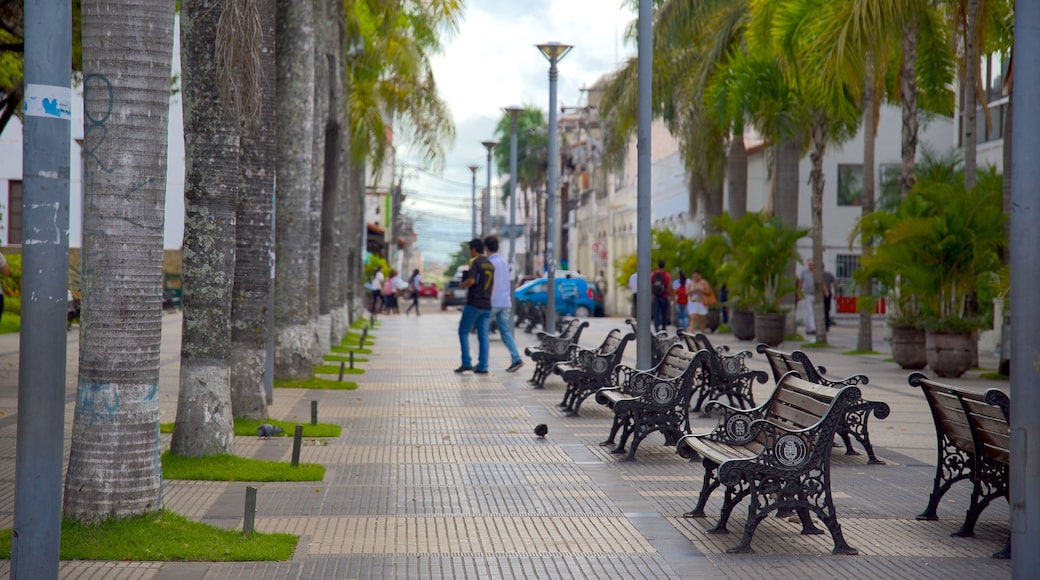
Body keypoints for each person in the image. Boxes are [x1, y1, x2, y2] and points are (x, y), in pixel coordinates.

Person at [484, 236, 524, 372]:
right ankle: (516, 357)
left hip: (493, 301)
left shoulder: (489, 263)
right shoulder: (504, 262)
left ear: (486, 248)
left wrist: (487, 299)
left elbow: (491, 284)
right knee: (505, 332)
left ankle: (482, 363)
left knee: (483, 330)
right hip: (505, 302)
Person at [456, 238, 494, 374]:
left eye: (470, 250)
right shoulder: (490, 264)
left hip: (474, 302)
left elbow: (471, 280)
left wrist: (462, 284)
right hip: (487, 304)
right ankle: (483, 365)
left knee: (463, 331)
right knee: (483, 335)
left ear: (473, 249)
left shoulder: (475, 262)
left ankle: (466, 362)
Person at [651, 260, 671, 332]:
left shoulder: (653, 274)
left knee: (656, 312)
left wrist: (652, 294)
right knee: (664, 312)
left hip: (656, 296)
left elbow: (651, 285)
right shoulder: (667, 275)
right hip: (664, 296)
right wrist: (669, 294)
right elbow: (668, 286)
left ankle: (656, 327)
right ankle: (663, 327)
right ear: (664, 265)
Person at [797, 258, 816, 334]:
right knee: (810, 311)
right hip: (806, 294)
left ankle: (808, 329)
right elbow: (800, 283)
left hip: (815, 294)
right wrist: (799, 293)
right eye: (809, 264)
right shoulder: (804, 272)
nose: (810, 266)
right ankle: (813, 328)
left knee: (810, 312)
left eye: (812, 265)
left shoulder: (816, 273)